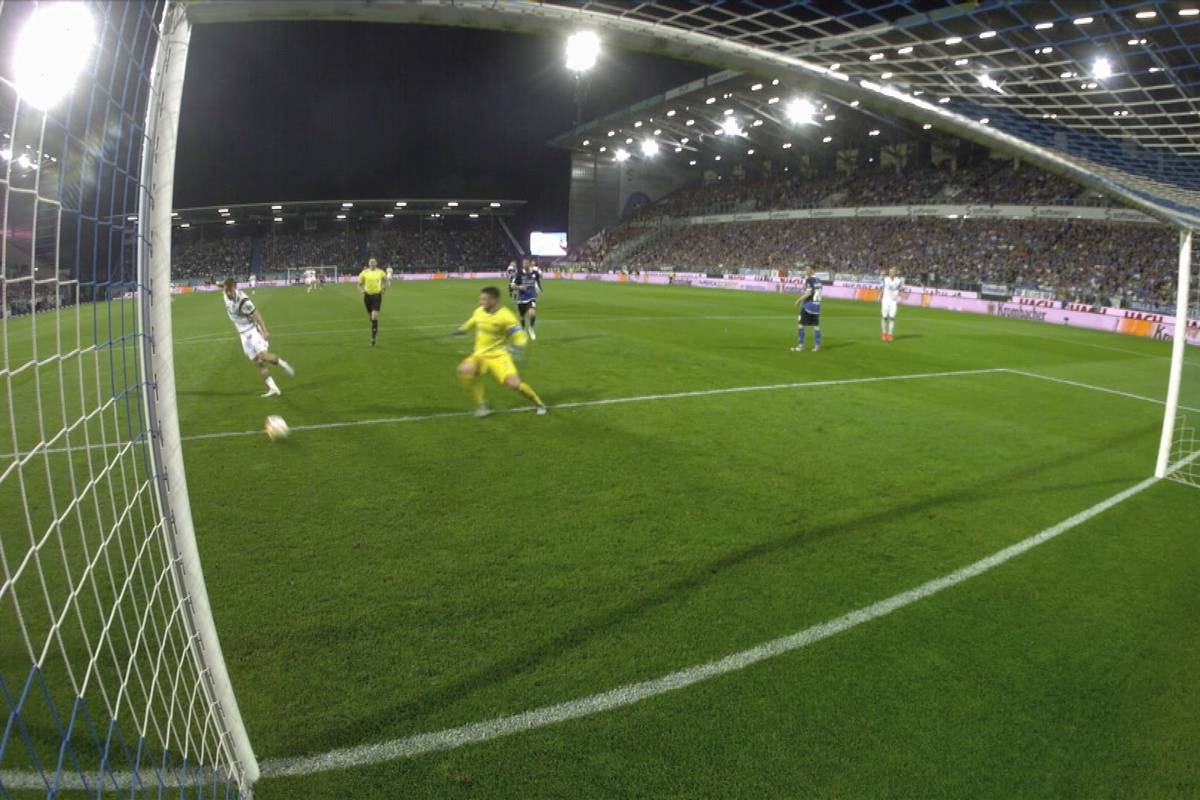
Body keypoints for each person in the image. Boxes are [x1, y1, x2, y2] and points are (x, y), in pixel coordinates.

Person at [453, 286, 547, 417]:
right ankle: (482, 405)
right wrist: (462, 329)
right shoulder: (479, 311)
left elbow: (520, 335)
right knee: (465, 370)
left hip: (498, 356)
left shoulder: (506, 316)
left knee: (514, 384)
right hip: (480, 355)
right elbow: (472, 321)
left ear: (494, 300)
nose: (481, 302)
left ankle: (538, 403)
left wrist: (517, 347)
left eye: (484, 299)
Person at [222, 278, 293, 397]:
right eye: (226, 290)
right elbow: (221, 286)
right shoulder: (224, 293)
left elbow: (256, 314)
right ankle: (273, 388)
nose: (227, 293)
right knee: (257, 362)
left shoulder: (244, 301)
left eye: (229, 290)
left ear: (234, 288)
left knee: (263, 356)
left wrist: (264, 330)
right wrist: (214, 282)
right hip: (242, 334)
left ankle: (284, 364)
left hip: (252, 330)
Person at [792, 264, 823, 353]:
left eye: (808, 269)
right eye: (805, 269)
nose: (806, 271)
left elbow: (809, 293)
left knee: (800, 325)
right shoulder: (819, 280)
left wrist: (798, 300)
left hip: (808, 306)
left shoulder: (809, 280)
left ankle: (800, 346)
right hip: (817, 306)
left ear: (813, 270)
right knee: (816, 326)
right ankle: (817, 346)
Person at [358, 257, 387, 347]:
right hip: (367, 296)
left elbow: (385, 280)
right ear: (368, 264)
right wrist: (361, 291)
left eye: (374, 262)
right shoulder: (364, 272)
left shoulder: (381, 272)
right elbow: (359, 284)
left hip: (376, 296)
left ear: (376, 263)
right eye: (371, 262)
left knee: (374, 316)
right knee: (371, 317)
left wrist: (383, 288)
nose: (372, 263)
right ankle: (375, 327)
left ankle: (373, 339)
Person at [514, 257, 542, 340]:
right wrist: (520, 287)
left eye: (526, 263)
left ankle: (531, 328)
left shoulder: (534, 273)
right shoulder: (519, 273)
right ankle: (523, 330)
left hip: (531, 297)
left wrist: (540, 290)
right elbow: (513, 286)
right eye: (523, 263)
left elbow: (537, 281)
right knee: (522, 317)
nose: (524, 265)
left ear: (530, 264)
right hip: (521, 298)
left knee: (532, 313)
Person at [881, 267, 903, 342]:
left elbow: (901, 289)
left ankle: (890, 335)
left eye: (892, 272)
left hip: (893, 302)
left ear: (895, 273)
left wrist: (901, 297)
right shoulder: (885, 279)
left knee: (892, 318)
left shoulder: (899, 280)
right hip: (885, 301)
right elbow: (881, 281)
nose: (891, 273)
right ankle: (884, 333)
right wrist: (882, 274)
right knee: (884, 317)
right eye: (890, 272)